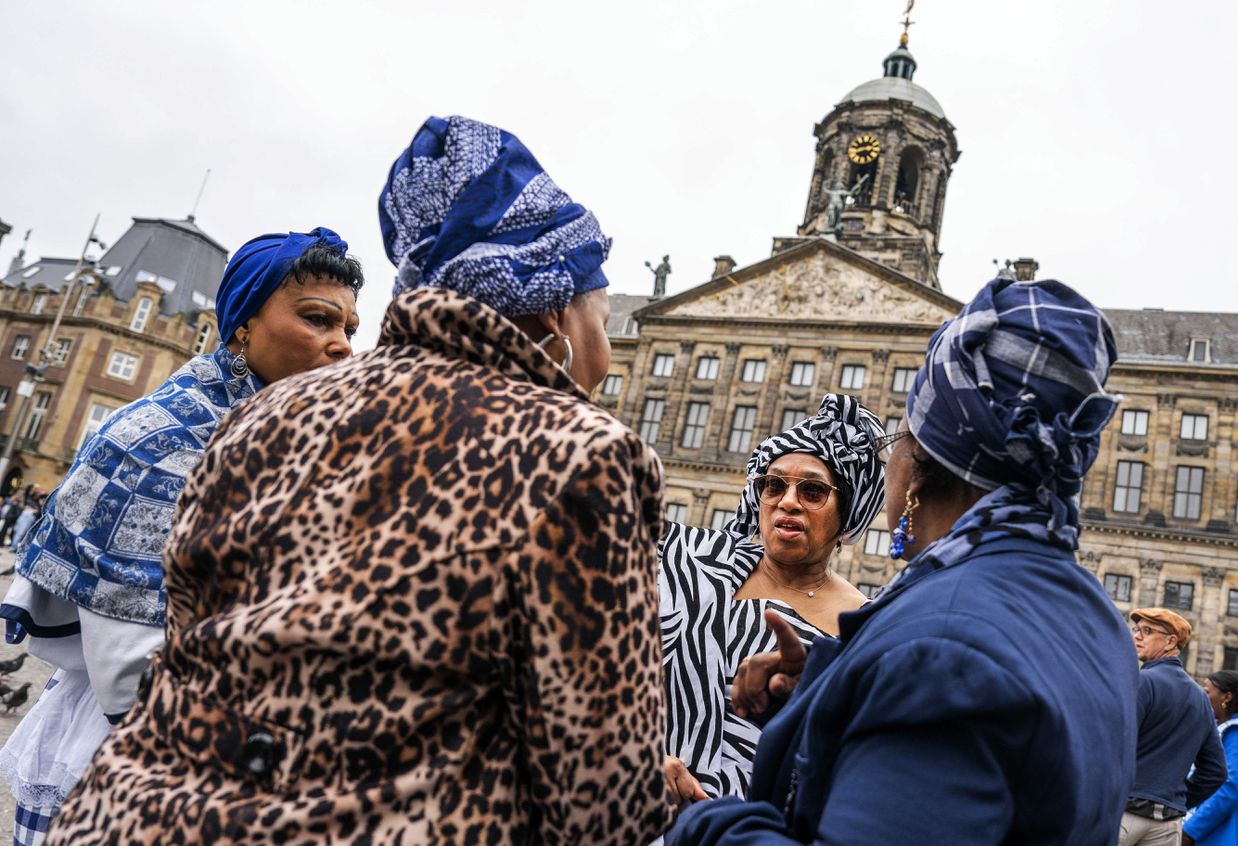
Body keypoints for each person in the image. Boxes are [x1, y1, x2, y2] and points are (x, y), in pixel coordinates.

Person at [46, 115, 674, 845]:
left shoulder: (262, 412)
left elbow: (191, 653)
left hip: (140, 820)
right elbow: (601, 797)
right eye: (603, 310)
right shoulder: (584, 453)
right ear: (556, 313)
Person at [670, 277, 1139, 845]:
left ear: (918, 466)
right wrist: (819, 710)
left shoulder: (939, 647)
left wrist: (692, 820)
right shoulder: (1098, 619)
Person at [0, 228, 362, 844]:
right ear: (243, 325)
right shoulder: (161, 441)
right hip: (150, 764)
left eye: (350, 329)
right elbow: (129, 667)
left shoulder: (281, 437)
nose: (342, 347)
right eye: (317, 319)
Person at [660, 393, 885, 803]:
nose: (787, 500)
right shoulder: (682, 558)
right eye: (774, 484)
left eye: (813, 491)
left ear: (846, 512)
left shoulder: (864, 629)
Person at [1120, 608, 1226, 845]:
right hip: (1168, 824)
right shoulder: (1200, 697)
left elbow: (1114, 744)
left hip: (1123, 813)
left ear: (1171, 642)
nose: (1137, 636)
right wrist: (1174, 799)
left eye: (1147, 631)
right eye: (1137, 629)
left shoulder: (1142, 681)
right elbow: (1216, 771)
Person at [1182, 671, 1238, 846]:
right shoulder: (1223, 729)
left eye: (1207, 692)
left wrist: (1190, 830)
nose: (1202, 696)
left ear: (1227, 697)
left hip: (1223, 835)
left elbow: (1229, 789)